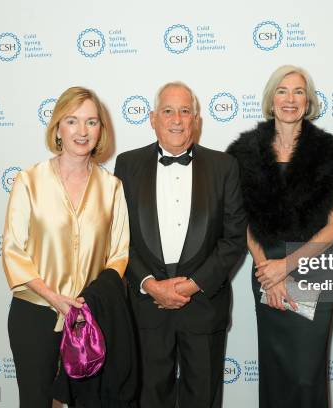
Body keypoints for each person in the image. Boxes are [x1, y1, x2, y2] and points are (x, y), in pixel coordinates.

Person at [114, 81, 246, 408]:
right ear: (152, 118)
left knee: (202, 399)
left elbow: (233, 239)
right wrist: (149, 284)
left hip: (203, 306)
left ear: (196, 120)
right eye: (168, 111)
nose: (176, 119)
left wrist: (193, 285)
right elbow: (118, 237)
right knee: (148, 398)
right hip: (146, 308)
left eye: (185, 111)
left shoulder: (224, 166)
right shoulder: (127, 165)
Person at [227, 65, 333, 408]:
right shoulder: (244, 152)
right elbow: (242, 219)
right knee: (276, 367)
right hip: (266, 270)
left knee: (306, 372)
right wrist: (267, 268)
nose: (290, 99)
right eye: (282, 91)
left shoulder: (328, 150)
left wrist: (287, 265)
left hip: (312, 266)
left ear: (308, 101)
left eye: (298, 91)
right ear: (271, 99)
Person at [2, 86, 130, 407]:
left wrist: (91, 301)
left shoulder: (112, 188)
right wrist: (53, 297)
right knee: (36, 401)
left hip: (90, 317)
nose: (82, 131)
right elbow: (13, 250)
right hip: (36, 313)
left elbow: (119, 254)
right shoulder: (29, 181)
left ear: (101, 130)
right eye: (72, 121)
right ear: (58, 127)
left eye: (91, 122)